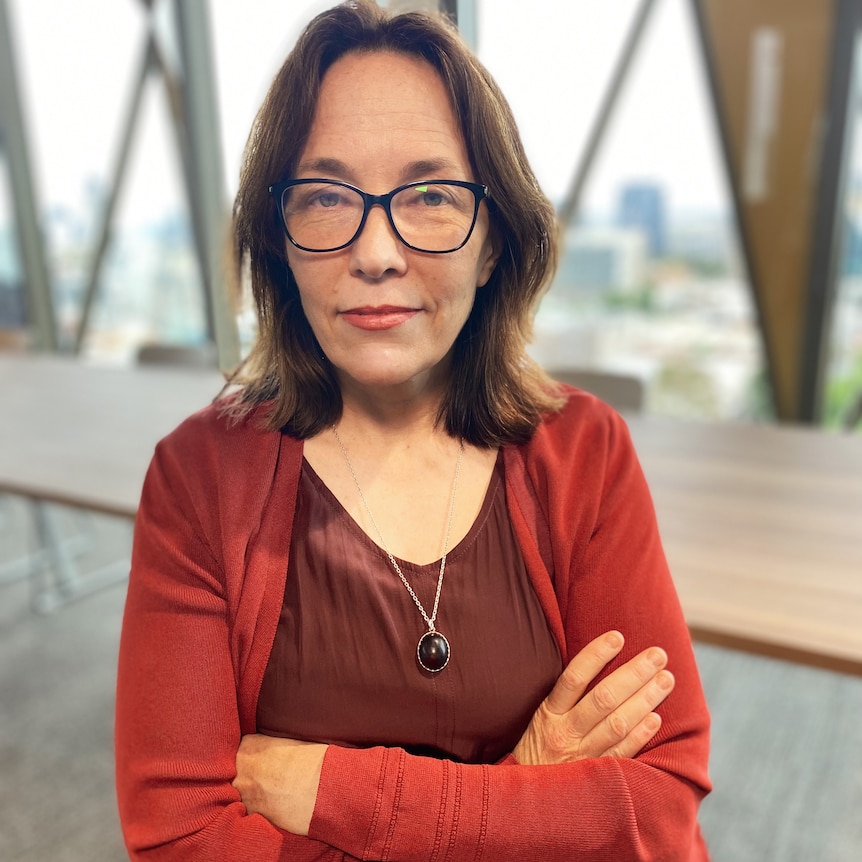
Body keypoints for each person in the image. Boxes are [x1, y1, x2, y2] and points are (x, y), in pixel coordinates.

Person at [114, 1, 712, 859]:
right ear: (278, 238)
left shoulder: (585, 452)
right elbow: (181, 842)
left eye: (429, 194)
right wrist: (531, 782)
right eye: (326, 196)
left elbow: (658, 808)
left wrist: (335, 789)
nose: (377, 251)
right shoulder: (199, 478)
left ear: (495, 240)